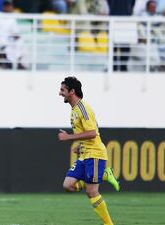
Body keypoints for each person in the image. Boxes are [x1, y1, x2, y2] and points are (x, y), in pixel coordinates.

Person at [58, 77, 120, 225]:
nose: (60, 93)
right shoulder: (74, 110)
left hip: (95, 154)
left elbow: (92, 132)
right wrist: (80, 145)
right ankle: (104, 175)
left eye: (63, 90)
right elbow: (92, 130)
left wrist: (69, 137)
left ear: (72, 91)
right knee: (68, 185)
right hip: (85, 153)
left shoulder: (83, 108)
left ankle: (109, 224)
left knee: (91, 192)